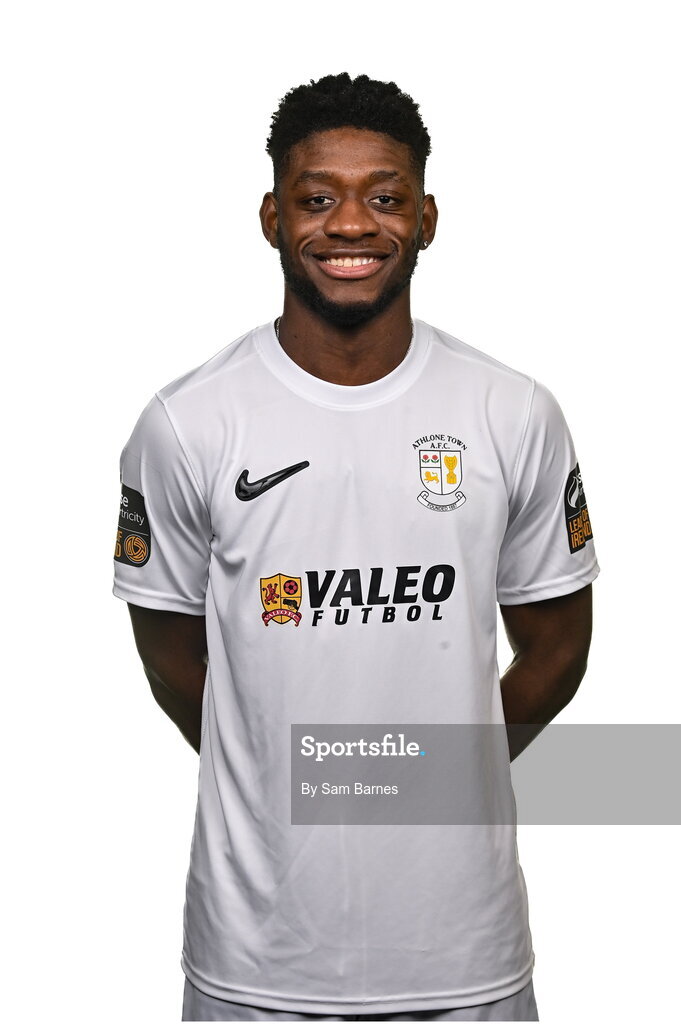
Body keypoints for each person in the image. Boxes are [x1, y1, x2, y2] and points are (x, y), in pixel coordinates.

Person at [112, 73, 598, 1022]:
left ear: (424, 218)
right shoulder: (187, 421)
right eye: (317, 196)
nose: (349, 226)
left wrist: (417, 779)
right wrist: (273, 774)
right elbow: (172, 655)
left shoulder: (510, 412)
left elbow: (557, 647)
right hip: (256, 961)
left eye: (383, 197)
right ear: (269, 216)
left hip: (465, 955)